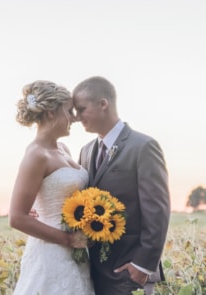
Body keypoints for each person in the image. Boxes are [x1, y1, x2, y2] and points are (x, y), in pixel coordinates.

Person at [73, 76, 171, 295]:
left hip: (130, 271)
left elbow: (157, 210)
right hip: (94, 271)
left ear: (103, 104)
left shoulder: (143, 146)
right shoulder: (86, 151)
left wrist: (142, 265)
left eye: (81, 109)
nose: (76, 117)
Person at [9, 80, 95, 295]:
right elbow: (17, 217)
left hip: (76, 254)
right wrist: (67, 239)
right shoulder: (36, 155)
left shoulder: (63, 148)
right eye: (69, 111)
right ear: (50, 113)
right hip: (51, 254)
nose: (74, 118)